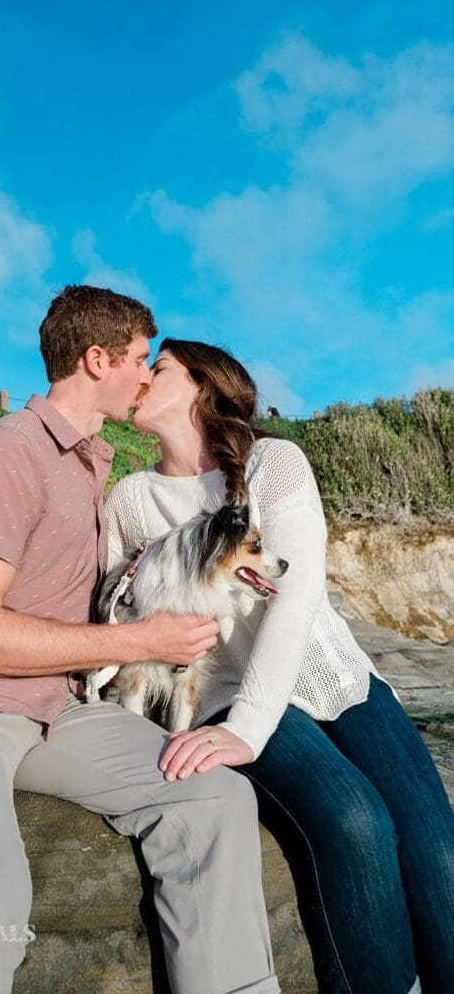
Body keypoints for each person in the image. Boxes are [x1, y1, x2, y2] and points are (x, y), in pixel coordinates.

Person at [0, 288, 281, 994]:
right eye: (135, 359)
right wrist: (138, 640)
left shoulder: (90, 466)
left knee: (215, 800)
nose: (146, 375)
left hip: (55, 708)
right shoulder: (6, 452)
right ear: (95, 360)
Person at [105, 337, 454, 994]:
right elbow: (114, 608)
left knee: (439, 853)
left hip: (331, 678)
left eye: (158, 368)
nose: (141, 378)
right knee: (353, 820)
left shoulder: (274, 461)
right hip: (218, 691)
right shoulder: (129, 499)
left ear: (202, 385)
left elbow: (294, 595)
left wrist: (253, 725)